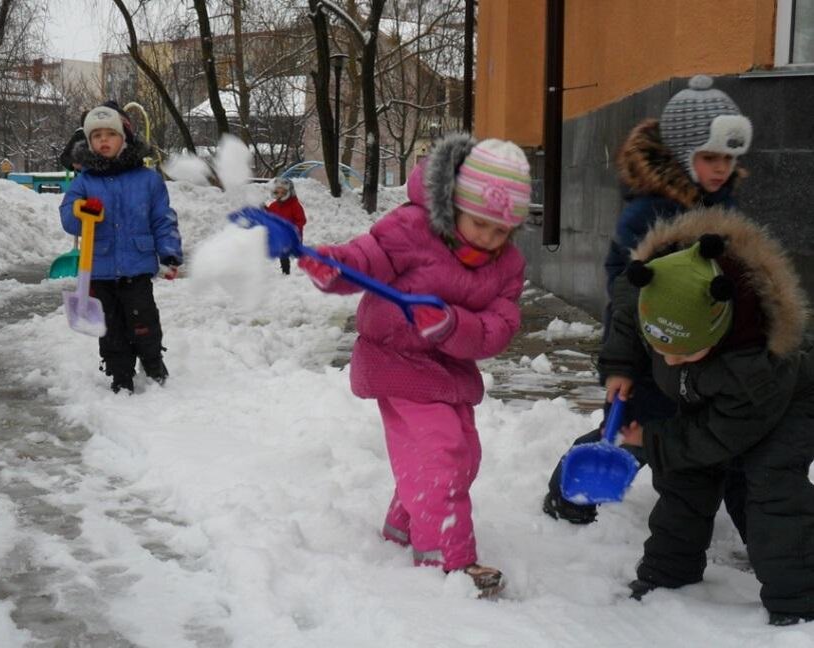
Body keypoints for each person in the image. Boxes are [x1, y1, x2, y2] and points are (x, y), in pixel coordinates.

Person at [297, 134, 530, 597]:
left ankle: (402, 524)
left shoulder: (508, 266)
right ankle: (448, 557)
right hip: (397, 361)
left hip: (451, 370)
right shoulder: (412, 228)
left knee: (463, 457)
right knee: (439, 453)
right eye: (479, 222)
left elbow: (498, 327)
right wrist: (334, 267)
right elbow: (368, 259)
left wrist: (449, 325)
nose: (488, 238)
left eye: (500, 230)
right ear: (454, 204)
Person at [542, 75, 754, 530]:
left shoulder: (722, 206)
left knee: (694, 426)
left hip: (696, 342)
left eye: (729, 158)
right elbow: (625, 296)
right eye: (709, 157)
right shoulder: (651, 216)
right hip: (645, 343)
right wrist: (620, 365)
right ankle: (567, 492)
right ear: (682, 153)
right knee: (633, 425)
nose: (721, 167)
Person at [600, 208, 814, 627]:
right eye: (661, 349)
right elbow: (629, 313)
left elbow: (717, 436)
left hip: (786, 404)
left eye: (685, 353)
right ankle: (670, 572)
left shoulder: (754, 365)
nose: (671, 359)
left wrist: (655, 441)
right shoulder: (660, 288)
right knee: (682, 478)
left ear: (718, 329)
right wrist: (621, 365)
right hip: (710, 395)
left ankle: (798, 599)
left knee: (771, 489)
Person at [59, 101, 182, 394]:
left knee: (144, 323)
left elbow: (163, 219)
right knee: (111, 329)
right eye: (96, 135)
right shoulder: (84, 181)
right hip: (99, 270)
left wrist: (170, 253)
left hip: (137, 267)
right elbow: (68, 220)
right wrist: (79, 210)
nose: (103, 140)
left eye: (110, 134)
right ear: (89, 142)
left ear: (124, 138)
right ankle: (120, 374)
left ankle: (153, 363)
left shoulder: (148, 180)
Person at [264, 177, 306, 274]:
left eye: (283, 193)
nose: (280, 195)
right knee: (283, 253)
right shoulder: (274, 205)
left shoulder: (295, 205)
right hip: (281, 234)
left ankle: (303, 266)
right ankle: (285, 271)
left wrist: (294, 228)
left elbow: (301, 220)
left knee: (293, 252)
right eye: (277, 192)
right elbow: (270, 215)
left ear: (289, 192)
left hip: (292, 235)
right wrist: (264, 209)